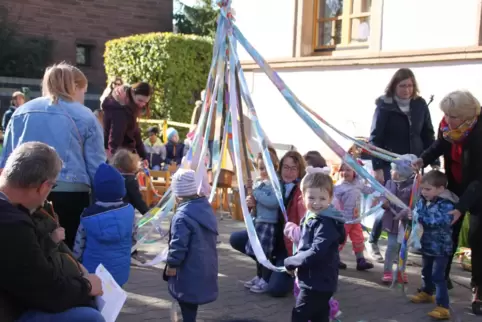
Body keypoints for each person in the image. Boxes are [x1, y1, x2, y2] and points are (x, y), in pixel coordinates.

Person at [0, 63, 106, 249]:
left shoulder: (21, 111)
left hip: (23, 189)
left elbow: (7, 157)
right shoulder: (86, 116)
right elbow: (96, 166)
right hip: (71, 191)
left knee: (24, 246)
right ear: (75, 87)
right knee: (65, 249)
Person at [0, 142, 104, 322]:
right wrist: (87, 286)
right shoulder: (13, 224)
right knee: (90, 317)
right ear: (43, 186)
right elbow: (48, 292)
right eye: (52, 187)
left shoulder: (12, 214)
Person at [412, 90, 482, 314]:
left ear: (468, 116)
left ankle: (478, 289)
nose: (448, 121)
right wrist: (423, 158)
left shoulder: (479, 133)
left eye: (454, 117)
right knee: (447, 233)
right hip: (455, 184)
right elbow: (440, 145)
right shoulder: (448, 125)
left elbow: (479, 180)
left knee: (477, 238)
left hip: (478, 187)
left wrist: (462, 208)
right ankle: (436, 282)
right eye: (447, 116)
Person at [367, 68, 437, 261]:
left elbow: (428, 133)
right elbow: (375, 138)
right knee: (389, 204)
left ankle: (404, 244)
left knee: (411, 204)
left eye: (410, 85)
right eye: (402, 85)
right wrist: (378, 166)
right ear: (394, 86)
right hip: (392, 164)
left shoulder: (420, 104)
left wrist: (434, 159)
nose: (407, 89)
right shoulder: (385, 105)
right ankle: (373, 241)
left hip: (415, 163)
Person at [231, 150, 306, 297]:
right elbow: (259, 210)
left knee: (276, 290)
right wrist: (251, 204)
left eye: (293, 168)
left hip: (287, 246)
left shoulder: (301, 191)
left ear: (299, 170)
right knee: (237, 239)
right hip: (269, 234)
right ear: (280, 167)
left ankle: (289, 273)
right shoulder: (272, 184)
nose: (289, 172)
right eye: (286, 167)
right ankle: (265, 272)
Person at [284, 168, 345, 322]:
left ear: (330, 198)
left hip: (317, 283)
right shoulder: (313, 216)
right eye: (311, 198)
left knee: (299, 315)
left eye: (322, 198)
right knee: (319, 315)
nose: (316, 203)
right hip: (316, 280)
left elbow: (316, 252)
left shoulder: (326, 223)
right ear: (303, 197)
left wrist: (291, 262)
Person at [164, 169, 218, 322]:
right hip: (204, 267)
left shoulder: (182, 217)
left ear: (178, 193)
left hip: (188, 270)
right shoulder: (205, 209)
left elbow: (178, 245)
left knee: (186, 300)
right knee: (191, 301)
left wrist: (172, 264)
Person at [73, 163, 135, 287]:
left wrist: (76, 263)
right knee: (115, 298)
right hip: (120, 271)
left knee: (95, 300)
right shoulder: (129, 211)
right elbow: (133, 239)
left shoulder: (88, 216)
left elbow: (79, 245)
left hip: (94, 271)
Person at [409, 170, 457, 320]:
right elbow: (418, 213)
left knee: (438, 276)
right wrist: (412, 215)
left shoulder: (447, 204)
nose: (424, 192)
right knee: (426, 271)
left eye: (428, 189)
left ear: (441, 189)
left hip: (441, 248)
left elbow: (441, 221)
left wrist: (420, 218)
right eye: (423, 188)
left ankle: (443, 307)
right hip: (427, 245)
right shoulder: (422, 200)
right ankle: (427, 292)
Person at [244, 153, 279, 293]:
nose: (262, 171)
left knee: (264, 254)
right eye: (260, 168)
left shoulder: (274, 184)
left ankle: (265, 279)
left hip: (268, 223)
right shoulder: (260, 183)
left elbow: (273, 203)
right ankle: (259, 276)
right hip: (258, 221)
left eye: (265, 168)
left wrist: (256, 192)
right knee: (256, 252)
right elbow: (255, 202)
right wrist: (250, 194)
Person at [380, 154, 417, 283]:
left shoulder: (413, 185)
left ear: (402, 173)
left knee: (404, 248)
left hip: (406, 223)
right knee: (391, 246)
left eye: (394, 169)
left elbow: (415, 202)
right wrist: (384, 202)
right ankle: (387, 271)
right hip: (392, 220)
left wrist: (410, 212)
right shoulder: (390, 183)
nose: (390, 171)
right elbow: (383, 194)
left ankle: (401, 271)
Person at [110, 149, 150, 264]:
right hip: (127, 213)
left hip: (114, 211)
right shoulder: (131, 180)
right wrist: (146, 212)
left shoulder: (114, 177)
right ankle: (132, 254)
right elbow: (137, 198)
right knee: (131, 234)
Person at [334, 162, 374, 270]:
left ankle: (360, 260)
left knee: (359, 239)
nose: (344, 172)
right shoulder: (338, 187)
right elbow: (334, 203)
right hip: (343, 220)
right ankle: (334, 259)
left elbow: (368, 190)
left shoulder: (358, 183)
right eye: (342, 170)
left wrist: (377, 185)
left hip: (355, 220)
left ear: (354, 172)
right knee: (340, 240)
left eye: (348, 170)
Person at [103, 82, 153, 160]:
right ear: (132, 93)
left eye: (145, 102)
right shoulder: (121, 111)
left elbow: (136, 134)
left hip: (123, 156)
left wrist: (143, 157)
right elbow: (114, 139)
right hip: (121, 158)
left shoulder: (129, 109)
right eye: (140, 100)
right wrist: (114, 162)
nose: (142, 104)